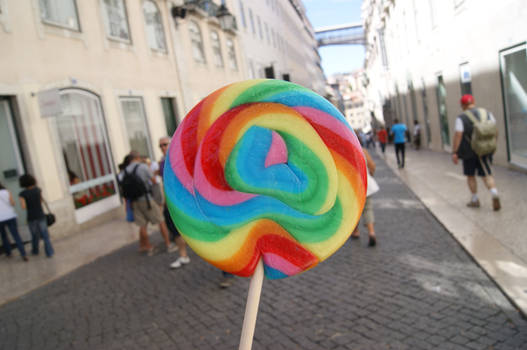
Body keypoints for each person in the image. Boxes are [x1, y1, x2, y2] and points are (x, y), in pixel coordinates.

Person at [451, 94, 501, 211]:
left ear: (462, 105)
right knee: (487, 174)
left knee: (470, 175)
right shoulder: (487, 113)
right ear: (474, 102)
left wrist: (455, 152)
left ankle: (475, 199)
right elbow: (495, 131)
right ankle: (494, 192)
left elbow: (458, 135)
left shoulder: (461, 118)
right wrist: (492, 145)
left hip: (469, 152)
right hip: (484, 150)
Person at [125, 151, 177, 255]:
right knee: (160, 220)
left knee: (142, 225)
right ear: (138, 157)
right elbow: (153, 181)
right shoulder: (142, 167)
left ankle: (148, 247)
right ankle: (168, 245)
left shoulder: (125, 170)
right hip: (146, 199)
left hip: (134, 201)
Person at [157, 137, 190, 269]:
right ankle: (183, 255)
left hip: (182, 200)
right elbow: (165, 183)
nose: (163, 147)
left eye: (165, 144)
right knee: (175, 230)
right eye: (160, 146)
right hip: (170, 202)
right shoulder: (161, 162)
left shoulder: (178, 159)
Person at [18, 174, 54, 258]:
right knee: (45, 234)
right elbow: (41, 201)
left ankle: (35, 250)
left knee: (34, 235)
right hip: (40, 215)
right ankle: (49, 252)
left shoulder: (22, 194)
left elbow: (23, 207)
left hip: (31, 217)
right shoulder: (38, 190)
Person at [350, 144, 378, 247]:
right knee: (368, 209)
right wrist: (370, 174)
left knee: (354, 210)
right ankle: (371, 232)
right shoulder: (363, 151)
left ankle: (356, 231)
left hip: (352, 186)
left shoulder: (345, 151)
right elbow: (372, 166)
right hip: (366, 184)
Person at [0, 182, 28, 261]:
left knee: (4, 236)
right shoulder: (7, 192)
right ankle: (23, 254)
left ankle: (9, 253)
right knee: (16, 235)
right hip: (10, 216)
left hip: (0, 219)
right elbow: (12, 203)